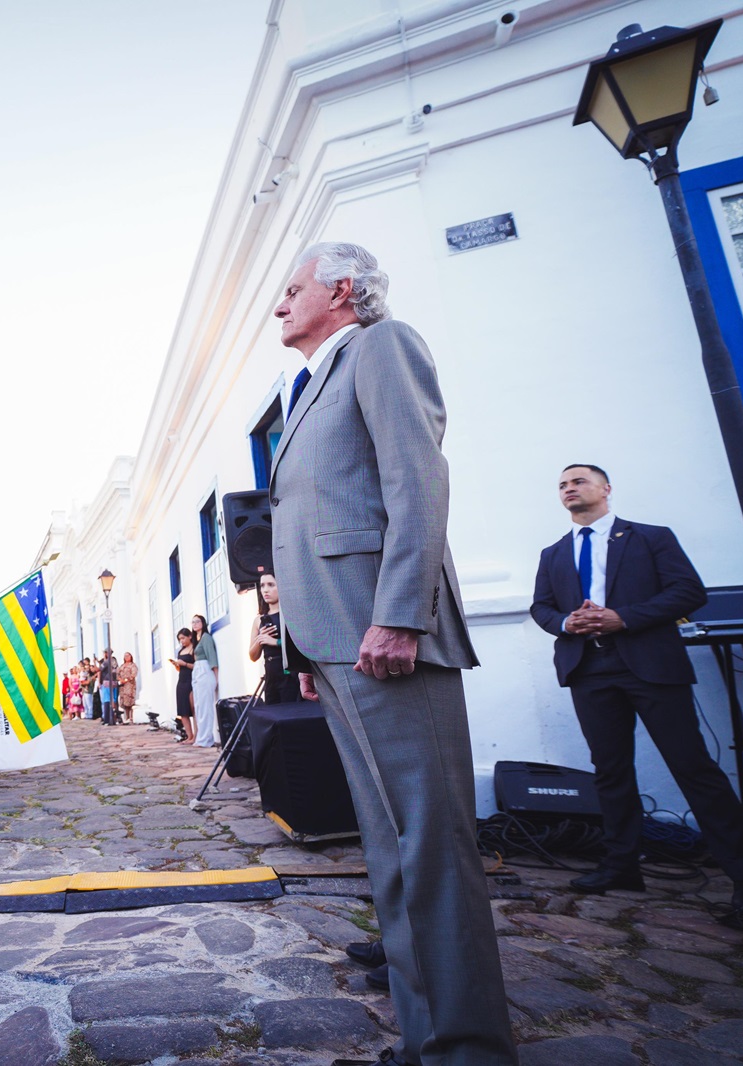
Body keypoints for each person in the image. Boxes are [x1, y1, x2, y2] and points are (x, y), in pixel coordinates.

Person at [270, 242, 514, 1066]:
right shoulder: (311, 384)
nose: (280, 305)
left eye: (293, 289)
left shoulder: (382, 345)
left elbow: (418, 480)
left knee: (430, 846)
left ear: (342, 290)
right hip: (338, 639)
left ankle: (469, 1048)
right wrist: (305, 641)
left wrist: (401, 614)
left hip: (386, 635)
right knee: (388, 848)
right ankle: (427, 1037)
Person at [531, 464, 743, 928]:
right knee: (610, 771)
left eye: (578, 481)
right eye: (562, 485)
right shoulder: (553, 554)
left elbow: (689, 592)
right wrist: (569, 623)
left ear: (605, 489)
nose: (569, 488)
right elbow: (541, 608)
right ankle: (622, 865)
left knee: (694, 769)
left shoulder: (650, 537)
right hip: (588, 669)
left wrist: (621, 618)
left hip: (649, 664)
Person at [248, 574, 303, 705]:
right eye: (262, 585)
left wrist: (276, 642)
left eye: (271, 585)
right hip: (271, 675)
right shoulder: (258, 620)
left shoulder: (290, 613)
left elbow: (301, 643)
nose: (265, 590)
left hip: (289, 673)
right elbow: (253, 656)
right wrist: (260, 639)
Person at [189, 615, 219, 748]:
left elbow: (212, 657)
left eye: (197, 621)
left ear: (203, 623)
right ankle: (202, 737)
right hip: (197, 671)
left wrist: (216, 677)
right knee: (199, 706)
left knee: (205, 707)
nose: (195, 624)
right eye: (193, 622)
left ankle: (206, 739)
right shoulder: (196, 639)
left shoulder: (206, 638)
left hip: (205, 670)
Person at [169, 628, 196, 743]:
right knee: (183, 710)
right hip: (182, 680)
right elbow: (180, 669)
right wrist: (177, 665)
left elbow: (197, 665)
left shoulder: (194, 649)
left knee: (193, 708)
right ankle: (189, 735)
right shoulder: (181, 651)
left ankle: (196, 735)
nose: (182, 641)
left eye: (183, 638)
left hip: (191, 679)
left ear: (190, 636)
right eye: (180, 639)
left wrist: (185, 663)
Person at [96, 648, 119, 726]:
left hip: (107, 682)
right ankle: (114, 718)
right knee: (114, 700)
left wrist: (95, 665)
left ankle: (107, 719)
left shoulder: (106, 662)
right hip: (114, 682)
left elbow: (99, 669)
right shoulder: (115, 661)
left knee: (107, 701)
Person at [116, 652, 138, 724]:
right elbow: (117, 674)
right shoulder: (122, 666)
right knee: (123, 702)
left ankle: (131, 718)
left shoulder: (133, 665)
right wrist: (120, 680)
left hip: (129, 685)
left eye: (128, 656)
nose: (126, 657)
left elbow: (133, 674)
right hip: (122, 686)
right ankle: (126, 717)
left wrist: (126, 680)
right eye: (125, 656)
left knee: (130, 701)